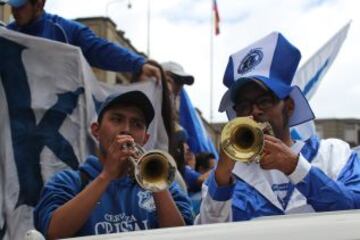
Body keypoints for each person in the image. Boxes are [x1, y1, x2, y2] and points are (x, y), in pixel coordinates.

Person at [196, 32, 360, 224]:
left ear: (289, 106)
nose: (253, 112)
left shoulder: (333, 153)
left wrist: (295, 167)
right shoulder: (225, 175)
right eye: (243, 106)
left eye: (264, 101)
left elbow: (354, 207)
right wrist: (222, 182)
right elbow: (207, 233)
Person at [34, 90, 193, 239]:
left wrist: (155, 184)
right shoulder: (68, 182)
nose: (126, 130)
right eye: (116, 119)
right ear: (96, 131)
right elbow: (52, 232)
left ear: (145, 138)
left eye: (137, 124)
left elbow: (183, 235)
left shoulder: (166, 186)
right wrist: (107, 175)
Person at [5, 0, 160, 81]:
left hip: (56, 120)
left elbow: (99, 49)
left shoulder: (65, 31)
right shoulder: (8, 35)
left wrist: (138, 64)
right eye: (12, 6)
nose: (14, 11)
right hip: (16, 122)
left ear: (39, 4)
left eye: (20, 6)